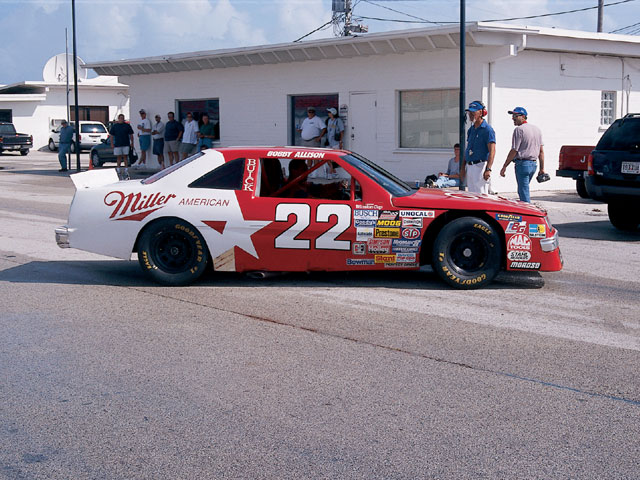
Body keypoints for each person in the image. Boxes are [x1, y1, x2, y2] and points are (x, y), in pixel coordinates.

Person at [499, 107, 546, 203]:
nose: (513, 118)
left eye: (516, 116)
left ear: (523, 117)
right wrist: (542, 168)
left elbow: (514, 150)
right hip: (533, 165)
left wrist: (504, 166)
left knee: (523, 191)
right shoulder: (537, 129)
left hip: (522, 164)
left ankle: (528, 212)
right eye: (513, 116)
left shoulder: (519, 130)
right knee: (524, 188)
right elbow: (541, 151)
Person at [463, 100, 496, 194]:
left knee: (481, 193)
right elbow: (468, 149)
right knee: (471, 194)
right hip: (470, 166)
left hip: (480, 166)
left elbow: (492, 151)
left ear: (481, 112)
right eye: (470, 112)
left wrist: (488, 169)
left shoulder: (487, 130)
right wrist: (462, 168)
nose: (471, 114)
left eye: (474, 112)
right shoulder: (471, 130)